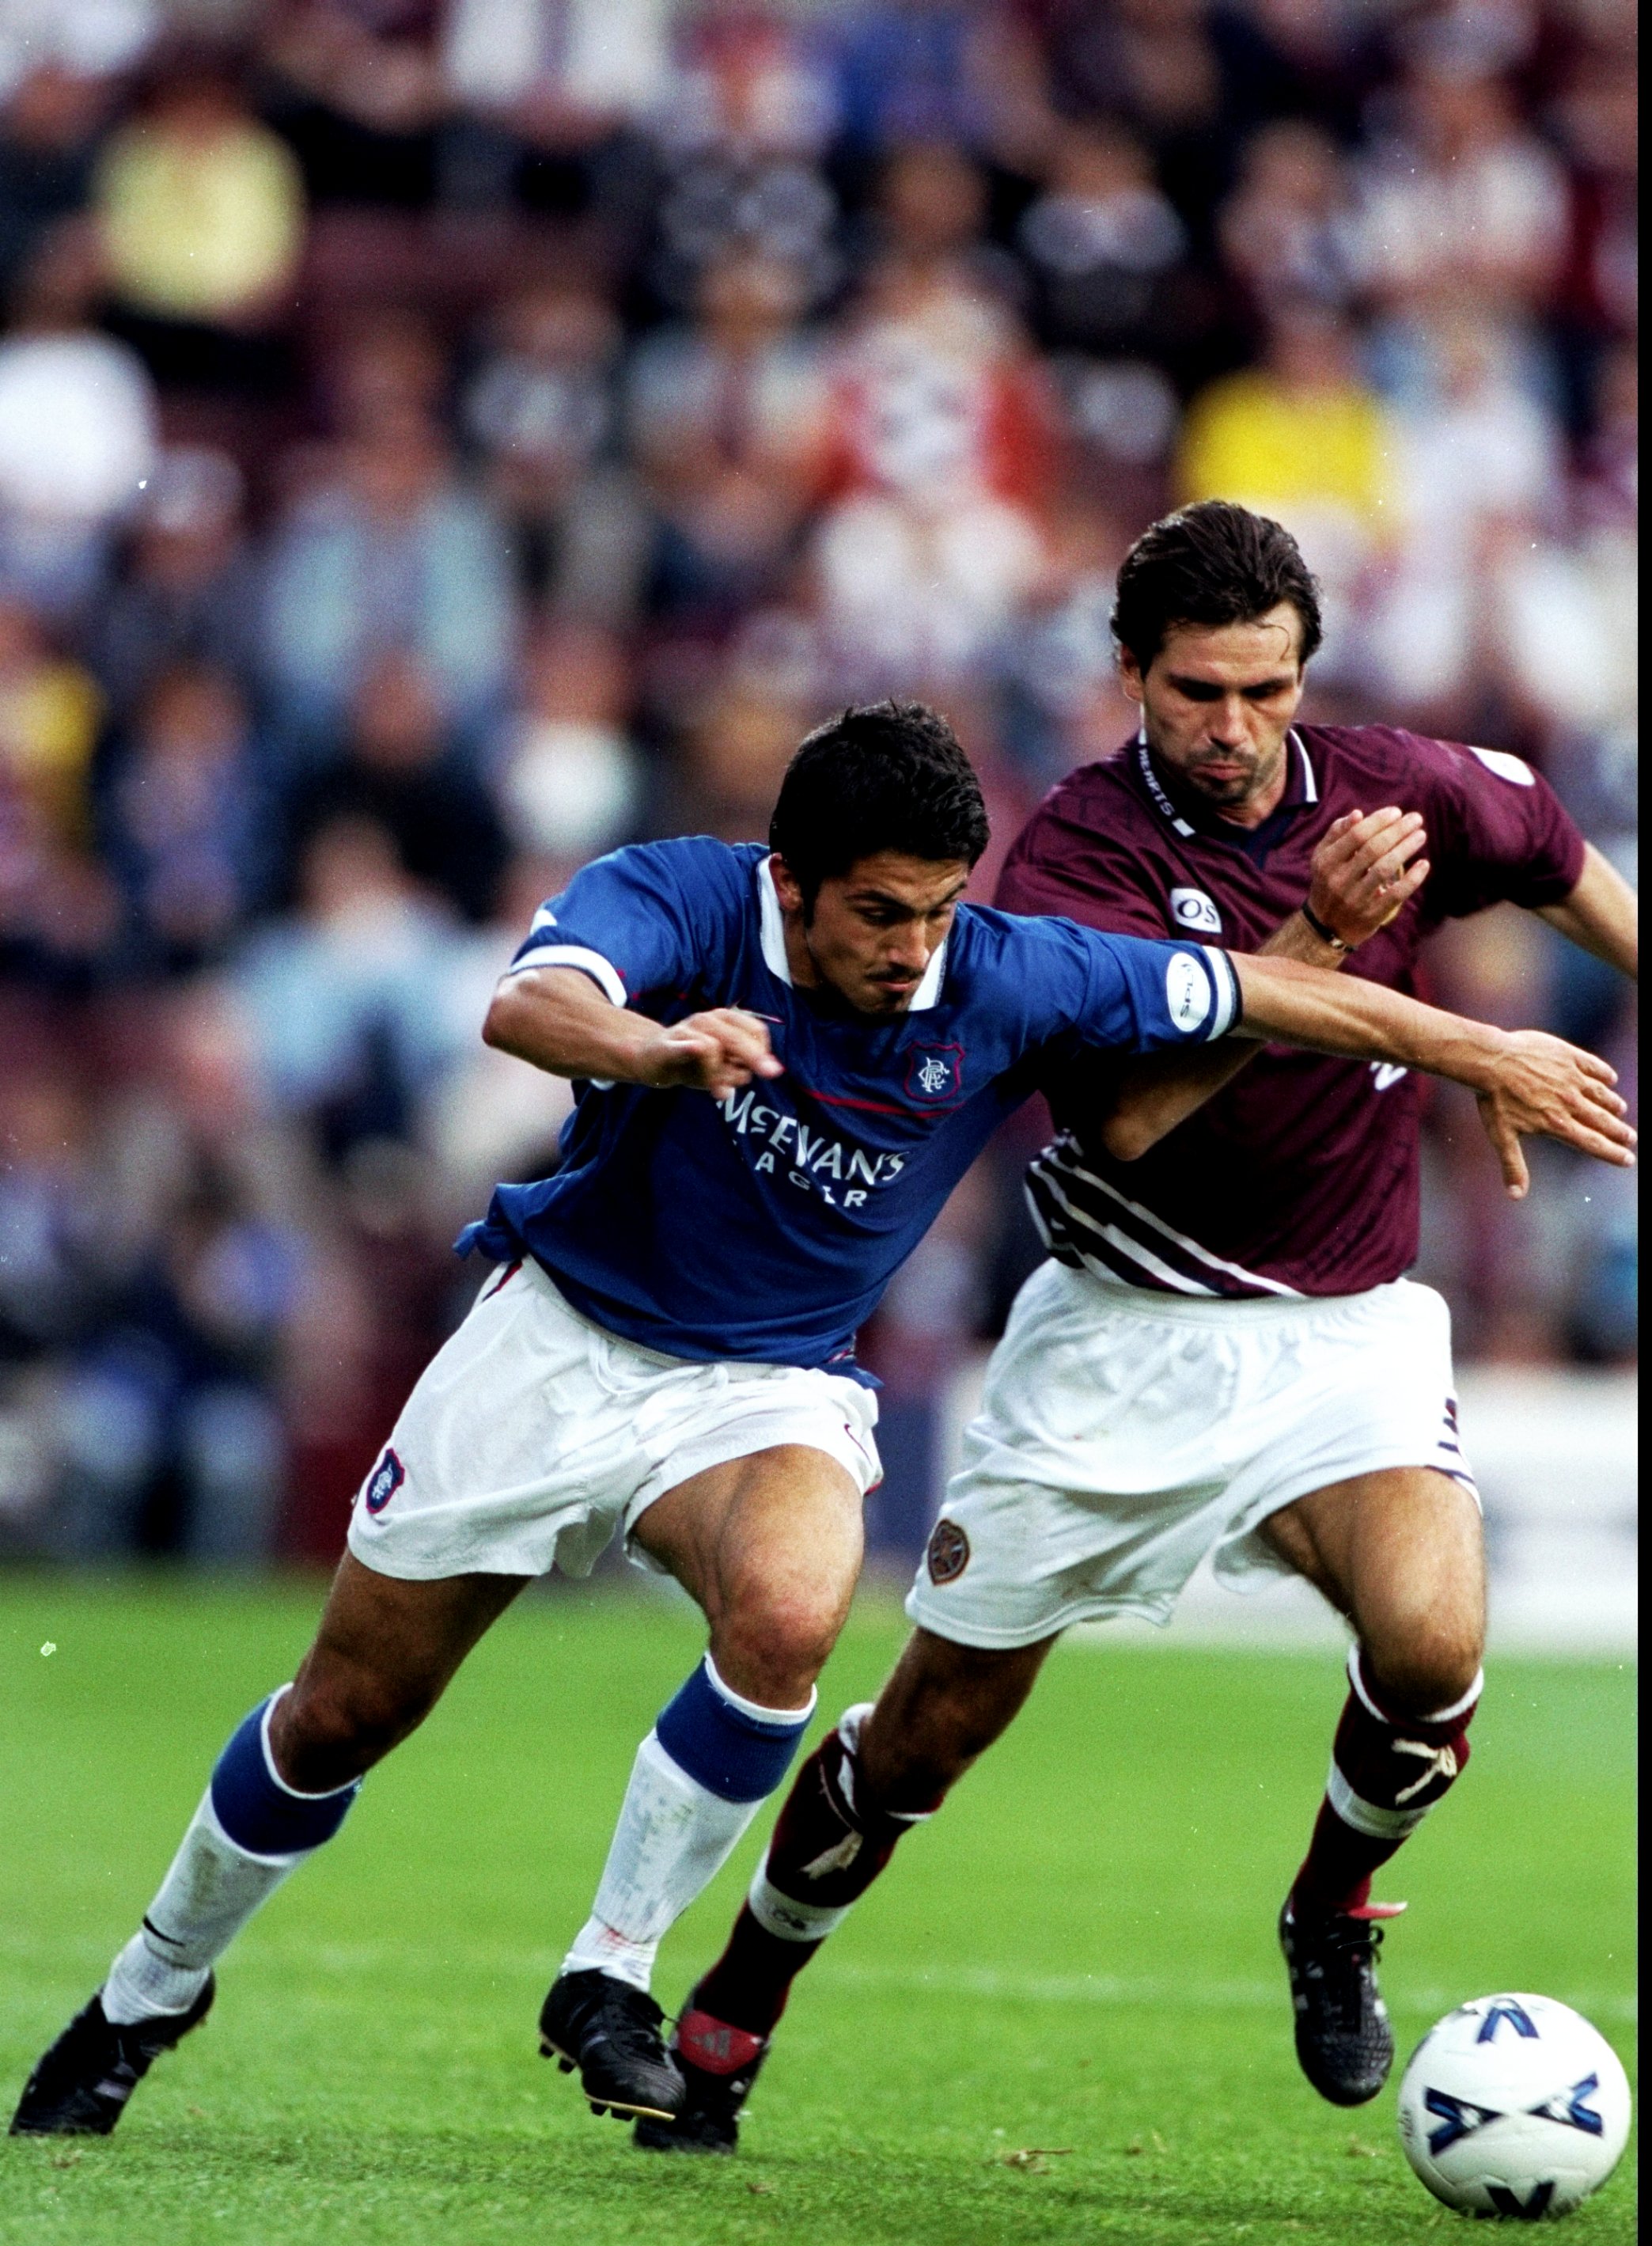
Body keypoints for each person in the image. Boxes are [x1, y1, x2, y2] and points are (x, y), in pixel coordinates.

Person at [11, 696, 1630, 2141]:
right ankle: (153, 1986)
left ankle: (612, 1975)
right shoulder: (687, 897)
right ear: (791, 882)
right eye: (877, 914)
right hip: (562, 1342)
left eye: (934, 910)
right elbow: (529, 1006)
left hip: (771, 1381)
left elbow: (1272, 1002)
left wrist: (1482, 1047)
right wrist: (657, 1048)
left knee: (794, 1608)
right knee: (343, 1714)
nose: (911, 948)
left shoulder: (1001, 970)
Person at [646, 503, 1640, 2155]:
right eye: (1197, 692)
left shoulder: (1400, 786)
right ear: (1132, 677)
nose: (1235, 729)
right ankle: (734, 2007)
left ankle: (1335, 1910)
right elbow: (1127, 1124)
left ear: (1305, 672)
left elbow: (1547, 848)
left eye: (1267, 689)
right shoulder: (1076, 863)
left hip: (1346, 1334)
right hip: (1120, 1338)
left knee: (1431, 1644)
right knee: (924, 1740)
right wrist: (1318, 933)